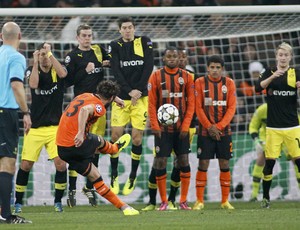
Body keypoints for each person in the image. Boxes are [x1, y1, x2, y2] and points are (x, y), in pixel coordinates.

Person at [56, 80, 139, 216]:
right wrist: (80, 133)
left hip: (62, 148)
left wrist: (115, 98)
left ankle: (124, 208)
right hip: (76, 143)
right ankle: (113, 149)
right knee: (97, 139)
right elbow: (84, 110)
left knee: (95, 176)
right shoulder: (100, 107)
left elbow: (84, 105)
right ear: (110, 98)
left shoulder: (83, 95)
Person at [13, 43, 67, 213]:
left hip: (55, 128)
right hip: (35, 128)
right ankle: (18, 202)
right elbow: (34, 85)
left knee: (60, 164)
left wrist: (50, 53)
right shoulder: (31, 69)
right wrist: (36, 62)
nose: (44, 57)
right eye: (41, 54)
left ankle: (58, 202)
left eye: (46, 54)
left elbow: (63, 73)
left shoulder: (57, 70)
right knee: (26, 165)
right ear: (37, 56)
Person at [142, 48, 197, 211]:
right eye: (169, 56)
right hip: (163, 130)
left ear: (178, 58)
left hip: (181, 129)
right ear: (164, 58)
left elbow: (191, 104)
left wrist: (186, 126)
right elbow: (151, 104)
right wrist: (155, 125)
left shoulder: (187, 76)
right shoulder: (156, 76)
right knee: (160, 162)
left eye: (174, 56)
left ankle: (183, 201)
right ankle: (164, 201)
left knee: (183, 162)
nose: (172, 59)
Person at [64, 23, 110, 207]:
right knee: (77, 147)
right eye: (84, 35)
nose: (87, 38)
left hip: (98, 107)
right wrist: (85, 71)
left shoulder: (98, 50)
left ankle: (90, 188)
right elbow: (67, 82)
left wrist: (106, 63)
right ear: (77, 37)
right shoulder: (72, 56)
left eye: (90, 35)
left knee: (96, 146)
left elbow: (112, 61)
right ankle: (72, 189)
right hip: (81, 108)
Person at [108, 16, 154, 195]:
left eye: (130, 27)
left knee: (136, 138)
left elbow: (148, 66)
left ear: (134, 28)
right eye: (124, 28)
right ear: (119, 30)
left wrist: (139, 91)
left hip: (141, 98)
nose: (127, 30)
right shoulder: (115, 45)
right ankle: (114, 175)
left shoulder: (144, 41)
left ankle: (133, 176)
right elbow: (116, 71)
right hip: (121, 98)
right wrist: (129, 91)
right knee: (116, 136)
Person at [256, 42, 300, 208]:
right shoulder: (269, 71)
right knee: (270, 163)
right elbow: (257, 88)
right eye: (280, 55)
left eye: (286, 55)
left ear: (290, 57)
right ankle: (266, 198)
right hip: (273, 128)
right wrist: (273, 77)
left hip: (293, 127)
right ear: (276, 57)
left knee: (299, 161)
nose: (283, 58)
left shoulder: (296, 73)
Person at [193, 55, 236, 210]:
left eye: (218, 67)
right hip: (205, 132)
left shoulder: (229, 83)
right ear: (208, 68)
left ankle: (225, 201)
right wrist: (209, 126)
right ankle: (199, 201)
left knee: (224, 163)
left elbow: (231, 108)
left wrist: (218, 127)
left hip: (223, 131)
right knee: (203, 163)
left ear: (222, 69)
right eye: (212, 67)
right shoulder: (199, 83)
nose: (215, 70)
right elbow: (198, 108)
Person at [0, 21, 32, 224]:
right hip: (6, 114)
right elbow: (16, 85)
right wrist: (26, 112)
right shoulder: (16, 57)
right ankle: (5, 214)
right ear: (19, 37)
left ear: (1, 36)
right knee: (7, 164)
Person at [249, 103, 300, 202]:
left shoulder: (288, 107)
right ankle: (254, 194)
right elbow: (253, 126)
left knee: (296, 159)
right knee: (262, 158)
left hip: (288, 137)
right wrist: (256, 140)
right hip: (269, 137)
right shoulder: (262, 109)